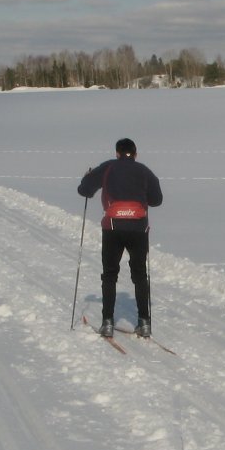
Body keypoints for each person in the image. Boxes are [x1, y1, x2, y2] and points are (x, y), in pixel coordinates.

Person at [78, 137, 163, 338]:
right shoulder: (144, 171)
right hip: (138, 228)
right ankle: (144, 323)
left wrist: (88, 177)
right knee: (140, 275)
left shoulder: (108, 168)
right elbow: (157, 200)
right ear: (135, 154)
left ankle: (107, 322)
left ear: (117, 153)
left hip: (113, 228)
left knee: (109, 274)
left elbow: (85, 191)